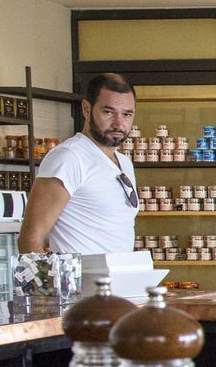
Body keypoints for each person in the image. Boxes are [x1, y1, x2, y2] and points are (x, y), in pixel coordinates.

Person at [20, 73, 138, 256]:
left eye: (127, 114)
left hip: (121, 274)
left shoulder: (124, 163)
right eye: (108, 112)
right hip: (80, 275)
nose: (118, 123)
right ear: (86, 109)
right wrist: (47, 276)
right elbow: (30, 239)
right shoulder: (69, 157)